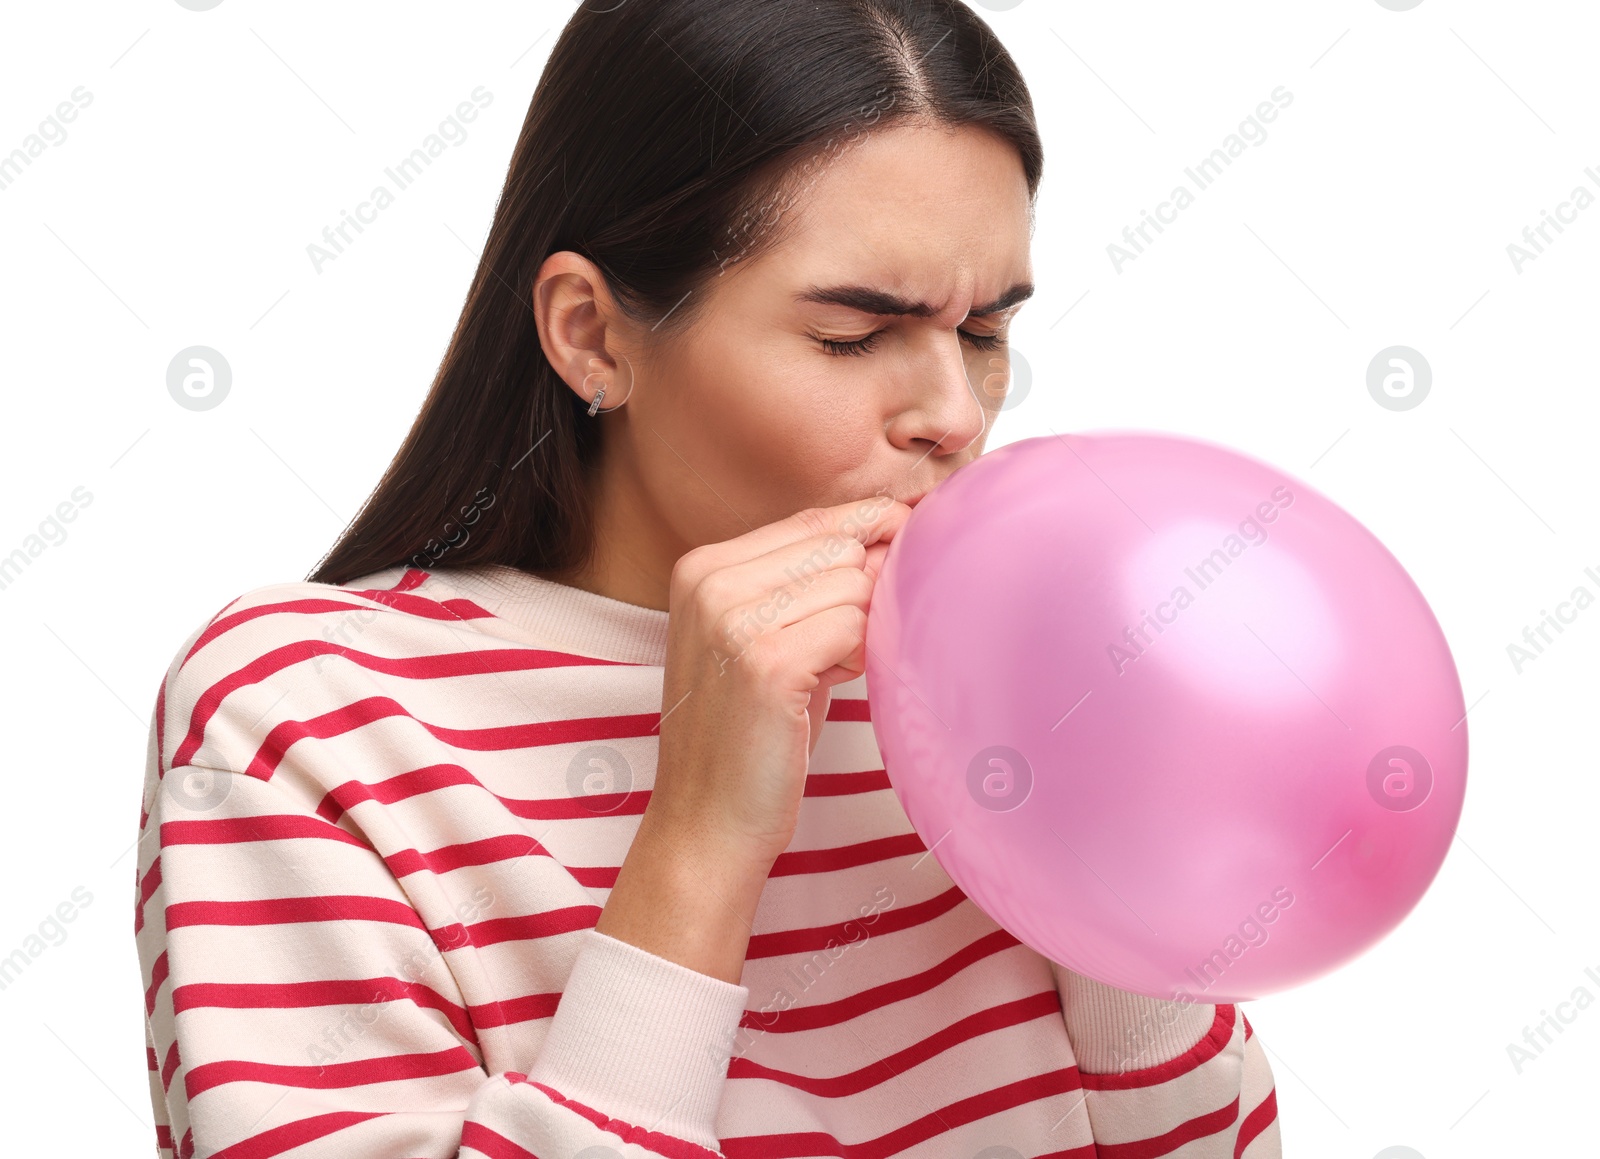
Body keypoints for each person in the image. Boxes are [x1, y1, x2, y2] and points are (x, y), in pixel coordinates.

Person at [133, 1, 1282, 1155]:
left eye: (983, 331)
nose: (952, 414)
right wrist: (700, 839)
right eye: (851, 335)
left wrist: (1105, 843)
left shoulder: (1010, 679)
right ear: (591, 333)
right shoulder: (306, 713)